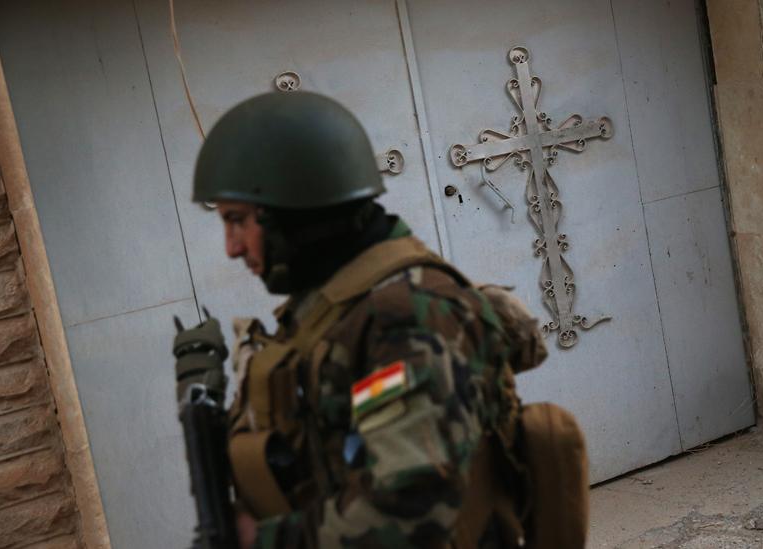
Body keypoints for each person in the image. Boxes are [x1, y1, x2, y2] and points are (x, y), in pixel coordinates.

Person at [183, 91, 568, 548]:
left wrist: (261, 541)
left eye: (238, 220)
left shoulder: (404, 316)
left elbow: (411, 516)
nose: (231, 246)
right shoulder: (337, 307)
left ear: (294, 211)